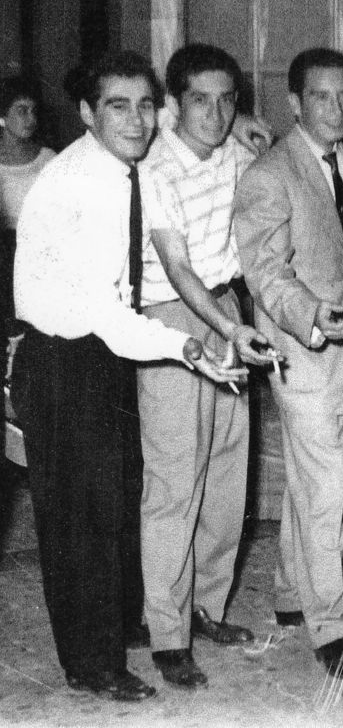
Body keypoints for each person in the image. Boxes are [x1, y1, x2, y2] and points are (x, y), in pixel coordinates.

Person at [11, 50, 245, 701]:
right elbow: (104, 312)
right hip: (64, 359)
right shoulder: (78, 182)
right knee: (79, 520)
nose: (137, 120)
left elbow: (188, 131)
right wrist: (185, 346)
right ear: (87, 113)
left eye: (146, 105)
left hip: (102, 354)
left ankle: (118, 623)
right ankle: (92, 663)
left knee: (117, 500)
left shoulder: (127, 166)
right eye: (118, 106)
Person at [138, 43, 279, 688]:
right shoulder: (155, 165)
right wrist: (229, 329)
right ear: (174, 104)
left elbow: (282, 156)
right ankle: (167, 633)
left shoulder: (236, 152)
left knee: (227, 473)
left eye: (227, 100)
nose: (216, 114)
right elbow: (176, 266)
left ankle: (206, 608)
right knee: (175, 480)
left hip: (226, 303)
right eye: (201, 100)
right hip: (174, 315)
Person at [233, 47, 343, 681]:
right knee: (324, 493)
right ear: (293, 103)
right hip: (304, 350)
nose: (337, 109)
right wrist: (312, 314)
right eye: (321, 97)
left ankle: (293, 593)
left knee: (321, 486)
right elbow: (264, 272)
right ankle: (329, 628)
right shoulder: (269, 173)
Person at [0, 76, 54, 347]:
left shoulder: (48, 158)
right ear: (2, 116)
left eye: (33, 111)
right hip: (5, 256)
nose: (30, 118)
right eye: (21, 110)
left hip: (43, 252)